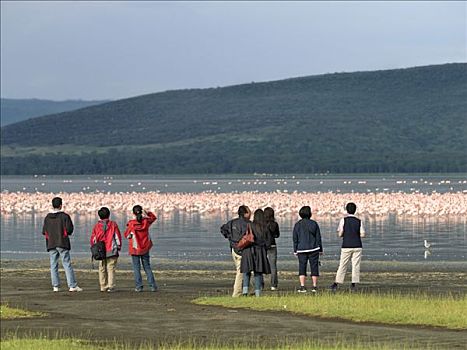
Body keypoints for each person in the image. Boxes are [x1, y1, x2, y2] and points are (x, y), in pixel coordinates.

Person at [42, 197, 82, 292]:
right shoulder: (64, 216)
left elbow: (44, 231)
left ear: (53, 205)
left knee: (53, 265)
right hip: (62, 243)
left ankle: (55, 286)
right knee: (66, 264)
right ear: (61, 205)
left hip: (51, 243)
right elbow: (69, 230)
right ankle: (72, 286)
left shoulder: (47, 217)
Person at [330, 202, 366, 292]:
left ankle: (336, 283)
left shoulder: (343, 220)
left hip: (346, 245)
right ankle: (353, 284)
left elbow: (340, 233)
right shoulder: (359, 221)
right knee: (356, 265)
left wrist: (345, 234)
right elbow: (362, 234)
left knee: (342, 264)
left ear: (346, 210)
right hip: (357, 245)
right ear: (355, 210)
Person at [124, 205, 158, 292]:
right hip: (145, 247)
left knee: (136, 268)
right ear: (141, 212)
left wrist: (131, 234)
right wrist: (147, 212)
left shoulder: (131, 224)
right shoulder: (146, 221)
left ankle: (139, 287)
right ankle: (153, 286)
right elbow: (153, 217)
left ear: (133, 213)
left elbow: (126, 235)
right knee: (147, 267)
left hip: (135, 248)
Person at [220, 205, 251, 297]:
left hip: (234, 250)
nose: (251, 213)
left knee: (242, 270)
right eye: (249, 211)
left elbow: (223, 229)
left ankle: (244, 290)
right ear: (246, 213)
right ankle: (237, 293)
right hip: (243, 250)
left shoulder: (231, 223)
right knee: (241, 271)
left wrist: (230, 238)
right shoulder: (249, 224)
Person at [90, 207, 122, 292]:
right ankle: (111, 286)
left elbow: (93, 239)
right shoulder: (113, 224)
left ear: (99, 216)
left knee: (102, 268)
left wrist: (94, 248)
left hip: (101, 251)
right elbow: (117, 237)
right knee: (111, 268)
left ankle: (103, 286)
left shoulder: (96, 226)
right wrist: (118, 247)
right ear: (109, 215)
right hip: (111, 249)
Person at [240, 209, 271, 297]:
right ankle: (258, 293)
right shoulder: (265, 228)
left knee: (246, 272)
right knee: (258, 272)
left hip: (248, 250)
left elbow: (244, 237)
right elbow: (268, 243)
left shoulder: (249, 225)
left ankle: (244, 292)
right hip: (260, 251)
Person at [293, 206, 323, 293]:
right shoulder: (314, 223)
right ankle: (314, 286)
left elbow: (295, 239)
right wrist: (320, 249)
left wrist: (295, 250)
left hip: (301, 249)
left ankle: (302, 286)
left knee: (302, 267)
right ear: (309, 214)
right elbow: (318, 237)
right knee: (314, 267)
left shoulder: (297, 225)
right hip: (314, 248)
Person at [264, 207, 280, 291]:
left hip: (263, 246)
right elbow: (277, 235)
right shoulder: (275, 224)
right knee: (273, 266)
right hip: (272, 245)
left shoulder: (262, 224)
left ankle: (261, 284)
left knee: (261, 264)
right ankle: (273, 285)